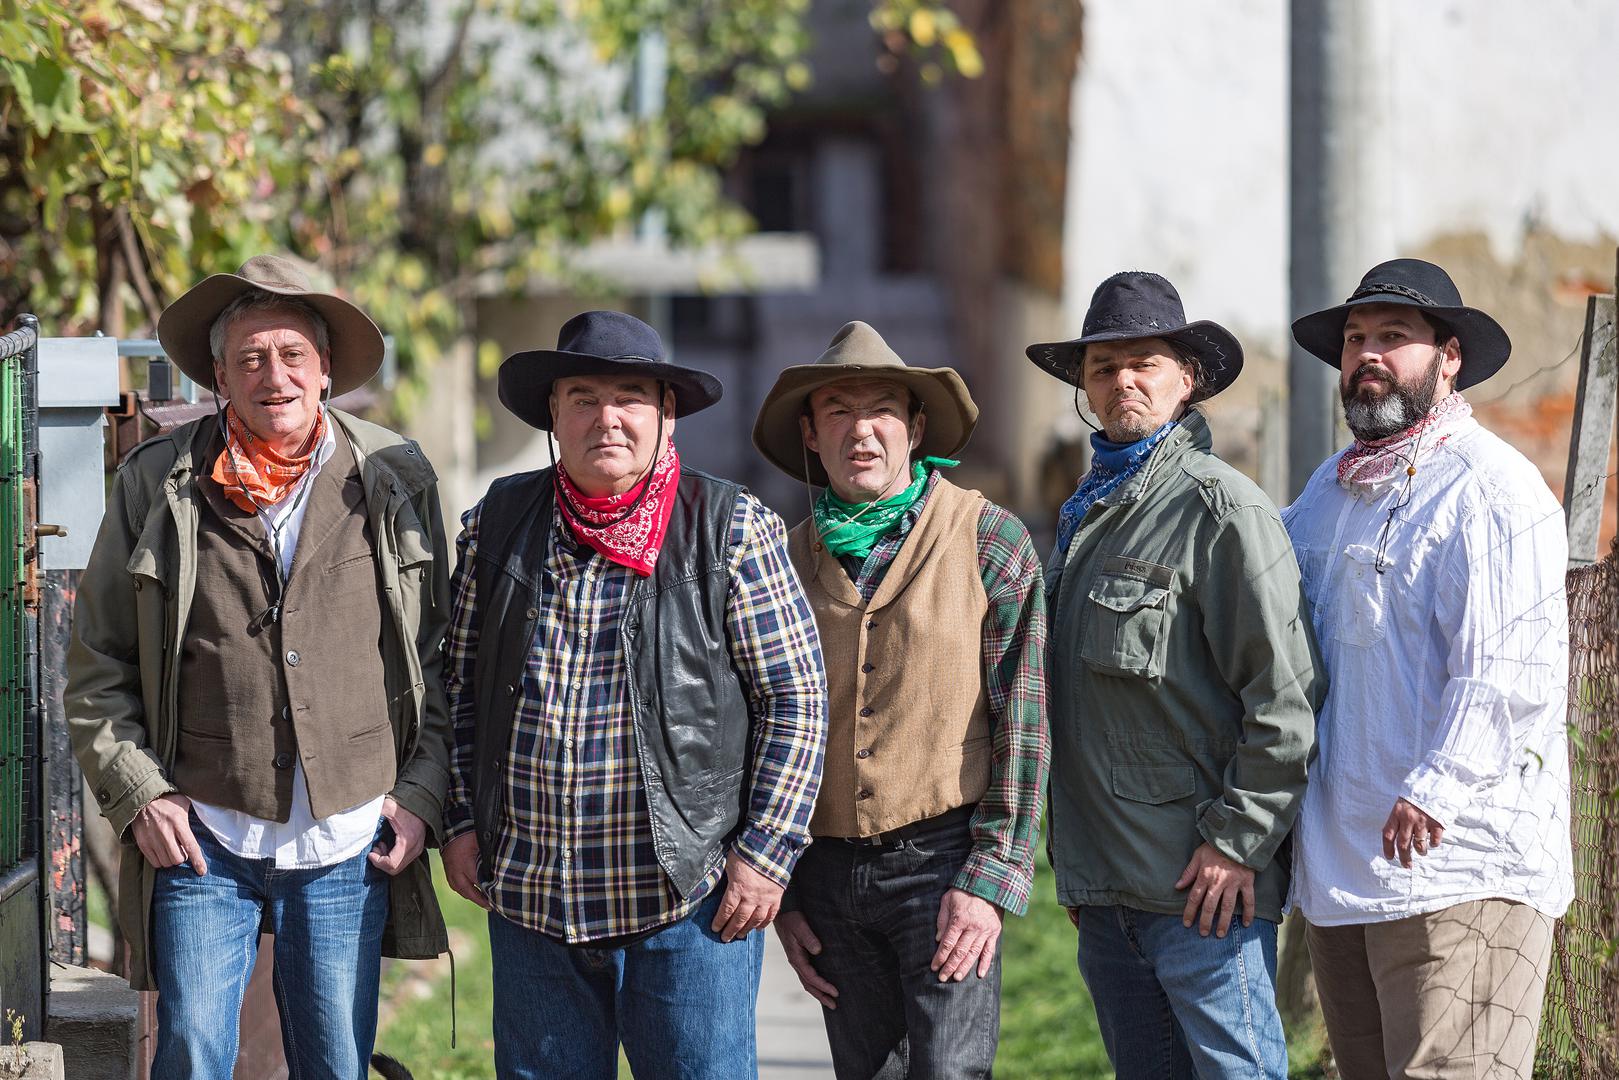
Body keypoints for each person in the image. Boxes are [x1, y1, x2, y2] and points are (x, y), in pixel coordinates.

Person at [66, 254, 452, 1075]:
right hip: (205, 829)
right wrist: (140, 794)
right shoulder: (154, 482)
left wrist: (419, 796)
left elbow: (441, 658)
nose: (271, 376)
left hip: (347, 832)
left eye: (290, 356)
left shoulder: (393, 475)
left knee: (335, 1060)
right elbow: (98, 661)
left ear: (324, 371)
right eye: (248, 358)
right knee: (192, 1050)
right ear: (216, 375)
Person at [438, 310, 827, 1079]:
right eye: (582, 396)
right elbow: (456, 689)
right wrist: (457, 817)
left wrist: (764, 856)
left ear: (666, 413)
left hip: (688, 904)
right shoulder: (497, 524)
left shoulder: (730, 527)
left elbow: (797, 699)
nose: (606, 418)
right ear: (553, 414)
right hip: (533, 901)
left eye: (629, 397)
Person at [1283, 258, 1572, 1079]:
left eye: (1392, 338)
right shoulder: (1325, 496)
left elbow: (1511, 663)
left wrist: (1437, 785)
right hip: (1346, 868)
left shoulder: (1491, 488)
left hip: (1459, 863)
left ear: (1448, 357)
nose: (1367, 355)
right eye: (1354, 339)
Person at [1027, 271, 1321, 1079]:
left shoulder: (1219, 510)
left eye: (1143, 363)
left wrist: (1235, 843)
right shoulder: (1086, 510)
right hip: (1107, 892)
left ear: (1185, 379)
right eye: (1102, 365)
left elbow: (1284, 699)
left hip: (1203, 893)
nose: (1121, 380)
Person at [751, 321, 1048, 1079]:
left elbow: (1025, 719)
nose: (862, 431)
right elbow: (751, 725)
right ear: (811, 435)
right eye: (838, 411)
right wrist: (781, 893)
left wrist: (991, 880)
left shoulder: (989, 539)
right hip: (822, 871)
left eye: (881, 409)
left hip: (944, 860)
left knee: (948, 1072)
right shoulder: (780, 560)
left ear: (915, 428)